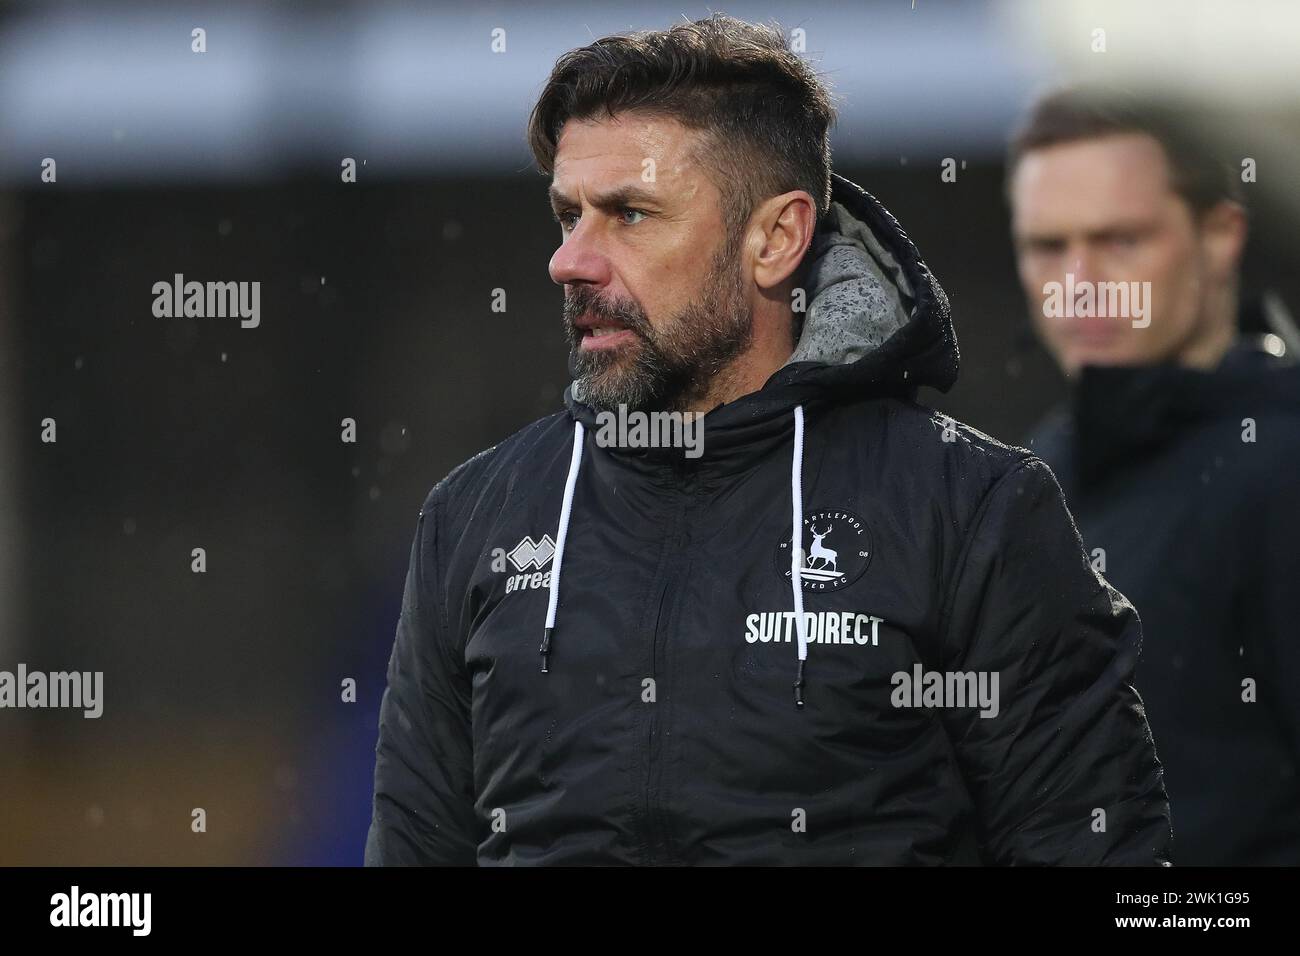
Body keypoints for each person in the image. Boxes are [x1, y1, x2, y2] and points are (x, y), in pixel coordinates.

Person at [364, 15, 1171, 866]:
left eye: (629, 214)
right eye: (568, 216)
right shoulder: (475, 519)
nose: (571, 260)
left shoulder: (972, 513)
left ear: (776, 239)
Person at [1009, 86, 1300, 864]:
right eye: (1047, 246)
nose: (1080, 279)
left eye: (1120, 239)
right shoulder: (1033, 472)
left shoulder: (1281, 468)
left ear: (1219, 237)